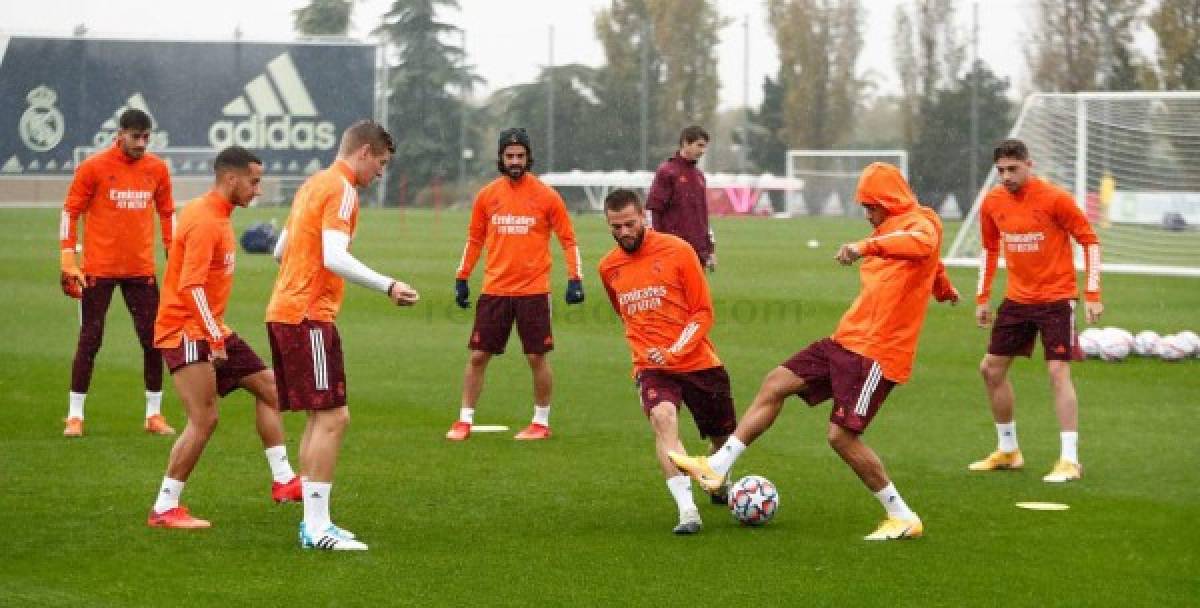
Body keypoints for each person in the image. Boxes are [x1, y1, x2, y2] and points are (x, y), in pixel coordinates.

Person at [670, 162, 959, 541]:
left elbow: (922, 246)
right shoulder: (893, 228)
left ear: (889, 201)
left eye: (871, 208)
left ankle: (902, 515)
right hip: (846, 339)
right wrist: (942, 288)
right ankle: (718, 466)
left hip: (877, 352)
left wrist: (864, 247)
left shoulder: (922, 223)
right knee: (776, 382)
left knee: (841, 438)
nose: (868, 216)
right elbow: (928, 262)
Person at [267, 120, 419, 551]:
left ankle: (315, 523)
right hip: (309, 316)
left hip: (286, 310)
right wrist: (388, 285)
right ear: (364, 153)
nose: (381, 173)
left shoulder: (312, 183)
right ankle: (316, 528)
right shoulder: (343, 189)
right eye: (382, 164)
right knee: (334, 417)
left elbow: (281, 250)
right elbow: (333, 255)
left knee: (323, 416)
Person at [147, 146, 304, 529]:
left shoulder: (220, 215)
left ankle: (284, 480)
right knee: (204, 419)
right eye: (254, 182)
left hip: (212, 327)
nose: (258, 190)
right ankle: (165, 508)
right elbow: (191, 285)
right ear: (231, 178)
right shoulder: (203, 219)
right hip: (184, 330)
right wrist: (213, 337)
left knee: (273, 390)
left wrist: (217, 332)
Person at [598, 189, 736, 535]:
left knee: (722, 436)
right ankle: (687, 511)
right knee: (663, 420)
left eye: (630, 223)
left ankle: (719, 480)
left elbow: (703, 312)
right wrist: (653, 352)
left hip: (698, 361)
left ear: (643, 216)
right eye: (616, 227)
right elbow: (622, 312)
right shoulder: (608, 267)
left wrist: (675, 349)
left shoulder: (678, 250)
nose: (624, 232)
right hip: (651, 366)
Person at [968, 138, 1102, 484]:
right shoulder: (993, 201)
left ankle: (1070, 460)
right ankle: (1009, 450)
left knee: (1057, 372)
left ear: (1030, 164)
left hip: (1057, 299)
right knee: (990, 370)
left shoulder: (1055, 198)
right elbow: (989, 248)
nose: (1006, 176)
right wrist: (982, 297)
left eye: (1013, 169)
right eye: (1001, 171)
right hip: (1017, 300)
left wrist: (1092, 292)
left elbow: (1089, 240)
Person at [447, 127, 583, 441]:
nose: (515, 161)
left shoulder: (547, 196)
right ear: (501, 158)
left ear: (528, 157)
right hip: (494, 290)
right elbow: (474, 239)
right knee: (479, 355)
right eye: (510, 156)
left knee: (536, 357)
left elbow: (568, 240)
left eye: (520, 156)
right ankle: (464, 420)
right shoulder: (487, 196)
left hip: (533, 292)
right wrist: (462, 277)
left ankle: (541, 422)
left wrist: (575, 279)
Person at [59, 108, 176, 437]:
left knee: (153, 341)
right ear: (120, 134)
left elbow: (168, 214)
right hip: (98, 270)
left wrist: (174, 251)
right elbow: (70, 212)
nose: (141, 143)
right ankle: (75, 416)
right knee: (90, 339)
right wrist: (68, 257)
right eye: (135, 136)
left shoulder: (157, 169)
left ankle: (153, 415)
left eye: (146, 137)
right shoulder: (93, 167)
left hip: (141, 270)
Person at [647, 125, 715, 272]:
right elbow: (654, 209)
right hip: (673, 248)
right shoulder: (667, 171)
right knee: (673, 293)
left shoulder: (699, 176)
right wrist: (656, 244)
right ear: (685, 143)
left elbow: (703, 216)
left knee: (695, 294)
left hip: (697, 251)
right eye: (699, 145)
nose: (703, 151)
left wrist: (710, 249)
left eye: (705, 147)